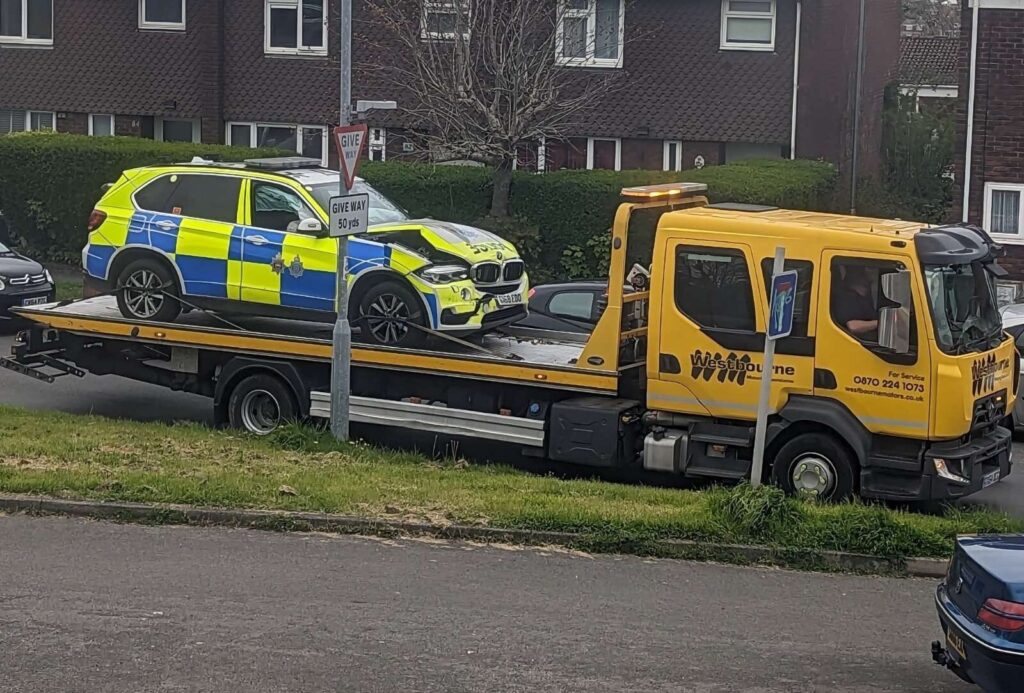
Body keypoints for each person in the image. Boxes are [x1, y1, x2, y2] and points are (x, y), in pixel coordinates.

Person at [834, 266, 878, 338]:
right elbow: (853, 326)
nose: (869, 281)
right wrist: (881, 323)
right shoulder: (847, 298)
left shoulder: (864, 299)